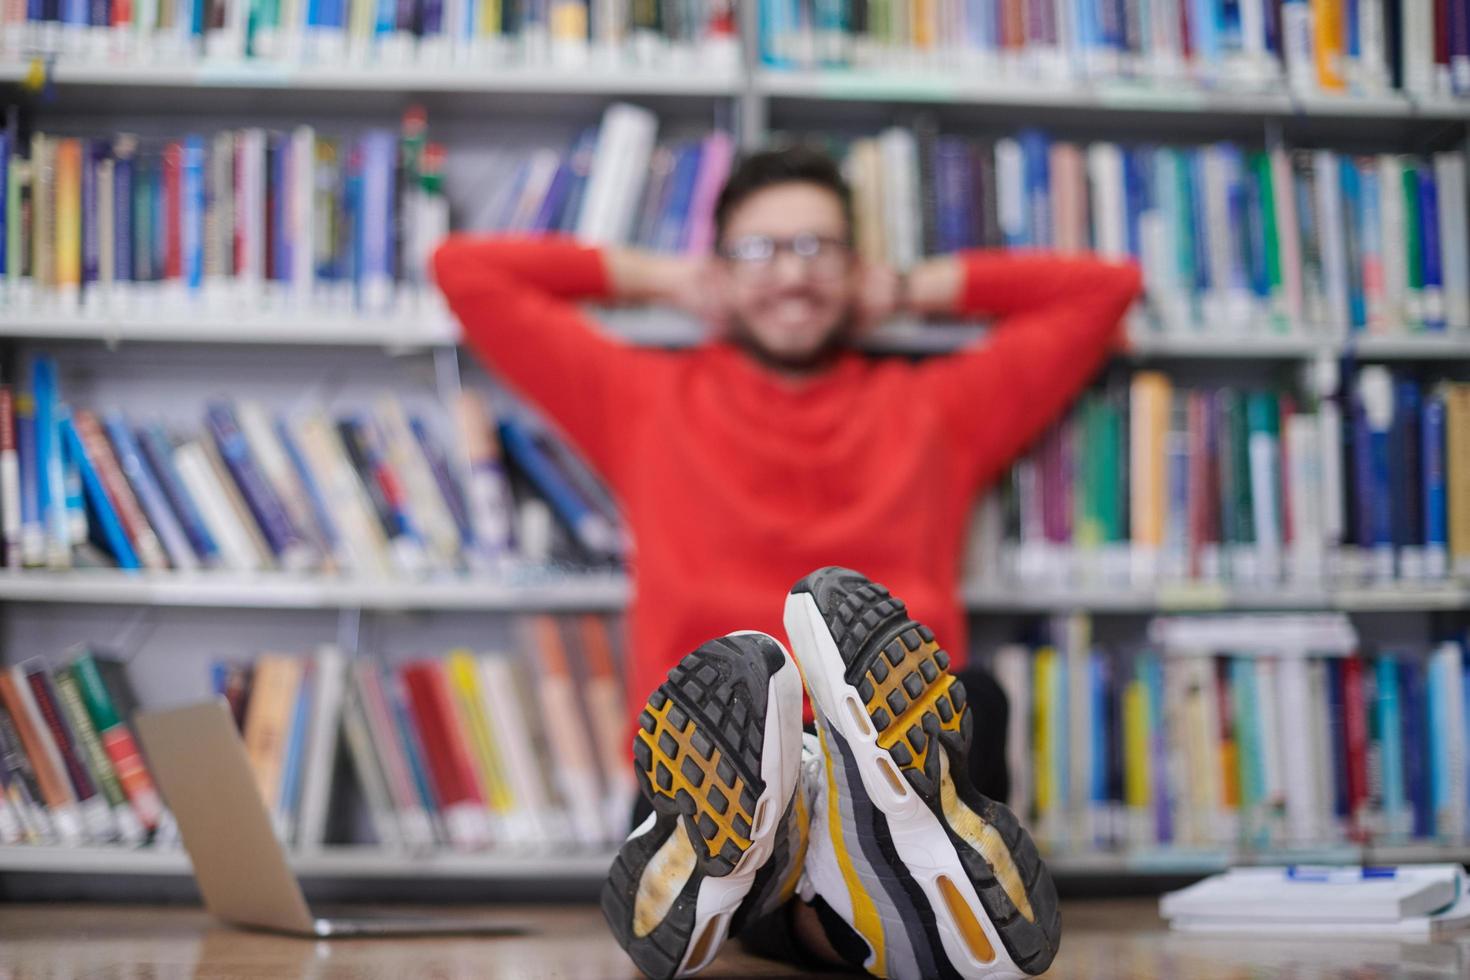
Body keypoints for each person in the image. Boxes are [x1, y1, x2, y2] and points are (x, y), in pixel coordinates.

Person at [432, 147, 1141, 979]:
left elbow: (1104, 290)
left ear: (856, 269)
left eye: (817, 249)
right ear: (720, 273)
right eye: (758, 252)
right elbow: (465, 272)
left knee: (969, 703)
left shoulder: (937, 409)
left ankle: (831, 878)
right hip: (706, 746)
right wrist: (668, 279)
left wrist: (909, 289)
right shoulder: (641, 399)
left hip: (887, 748)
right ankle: (855, 900)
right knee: (726, 805)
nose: (792, 278)